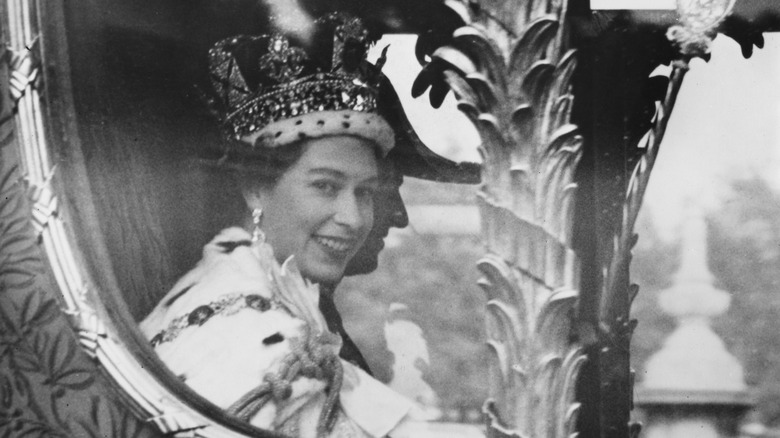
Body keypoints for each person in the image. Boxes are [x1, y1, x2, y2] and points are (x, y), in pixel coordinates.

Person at [140, 13, 477, 438]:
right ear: (255, 188)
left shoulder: (265, 291)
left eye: (365, 192)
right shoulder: (259, 345)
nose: (353, 218)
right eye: (325, 186)